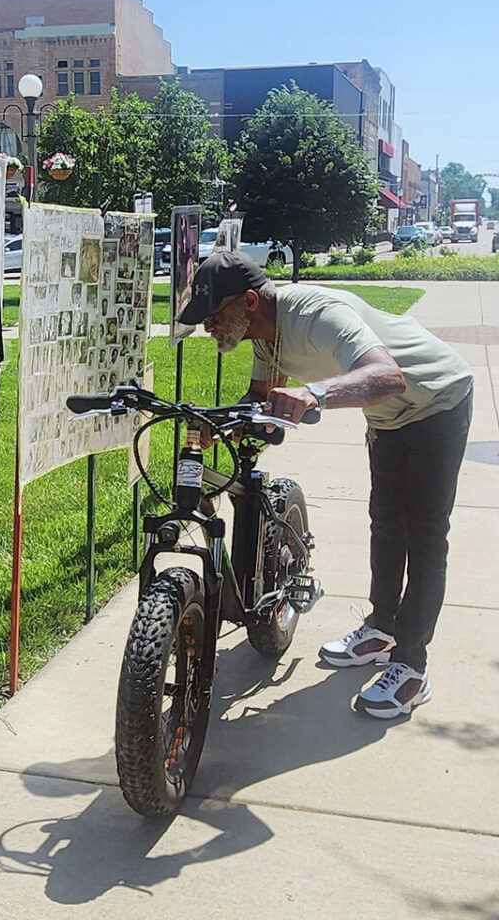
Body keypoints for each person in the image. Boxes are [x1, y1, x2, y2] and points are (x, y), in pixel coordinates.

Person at [178, 251, 474, 719]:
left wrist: (314, 392)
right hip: (388, 415)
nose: (209, 328)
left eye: (213, 317)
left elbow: (388, 376)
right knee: (386, 522)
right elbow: (259, 397)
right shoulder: (265, 334)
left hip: (436, 399)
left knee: (424, 532)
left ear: (249, 301)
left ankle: (412, 667)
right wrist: (221, 421)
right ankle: (382, 625)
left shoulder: (318, 315)